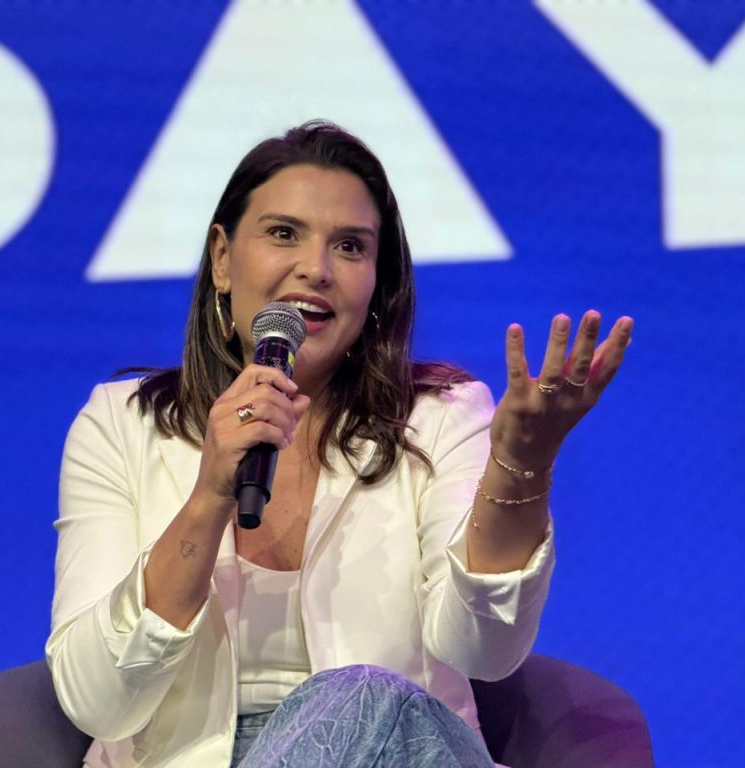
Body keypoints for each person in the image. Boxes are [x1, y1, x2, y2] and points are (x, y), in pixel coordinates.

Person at [46, 121, 633, 768]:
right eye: (282, 234)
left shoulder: (439, 416)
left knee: (361, 697)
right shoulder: (122, 425)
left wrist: (524, 461)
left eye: (350, 247)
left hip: (406, 753)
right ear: (221, 258)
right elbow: (96, 702)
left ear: (376, 284)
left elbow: (484, 650)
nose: (315, 269)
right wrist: (211, 493)